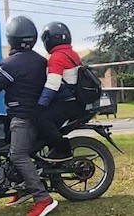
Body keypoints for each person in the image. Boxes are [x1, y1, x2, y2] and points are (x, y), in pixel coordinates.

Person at [0, 16, 57, 216]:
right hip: (34, 113)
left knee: (17, 154)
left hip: (24, 116)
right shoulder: (39, 60)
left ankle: (43, 199)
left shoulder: (12, 64)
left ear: (11, 38)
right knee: (5, 150)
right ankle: (22, 187)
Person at [36, 21, 85, 162]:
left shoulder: (57, 57)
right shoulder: (72, 53)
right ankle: (53, 152)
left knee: (42, 119)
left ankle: (62, 150)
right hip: (75, 101)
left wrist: (40, 105)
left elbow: (53, 84)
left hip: (66, 102)